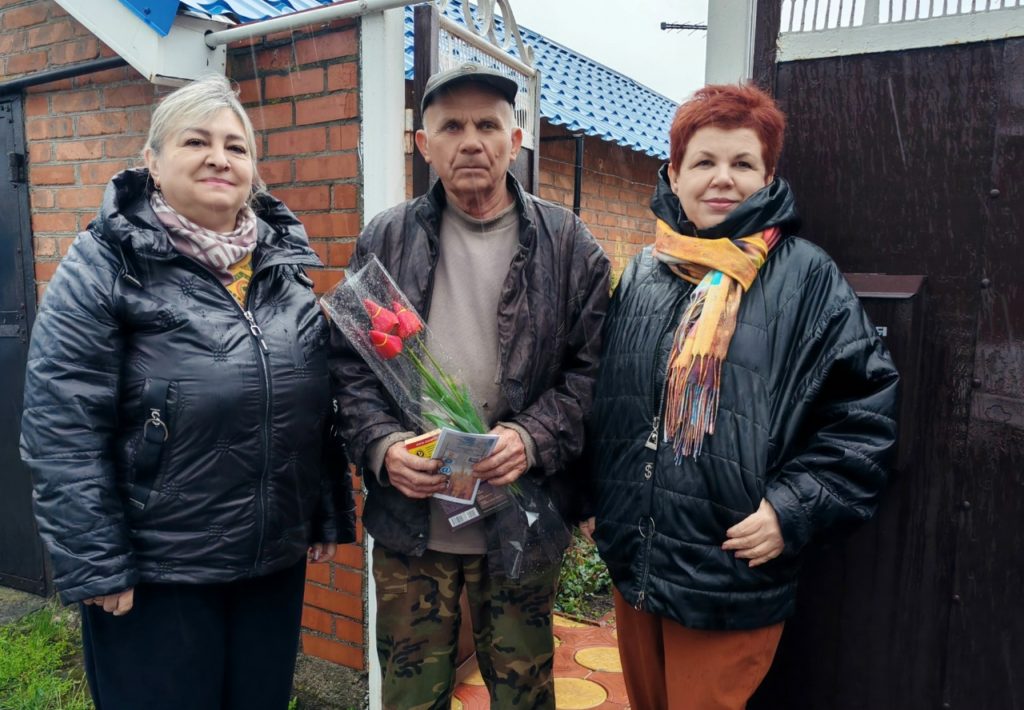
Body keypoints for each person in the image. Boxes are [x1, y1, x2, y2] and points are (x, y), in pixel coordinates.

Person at [20, 74, 355, 710]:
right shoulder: (103, 266)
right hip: (158, 573)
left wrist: (323, 510)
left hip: (270, 564)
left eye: (236, 146)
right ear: (152, 161)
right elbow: (62, 429)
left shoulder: (282, 269)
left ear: (252, 169)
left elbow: (312, 404)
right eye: (196, 141)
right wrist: (97, 562)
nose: (219, 158)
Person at [583, 83, 900, 709]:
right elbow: (607, 398)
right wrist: (597, 497)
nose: (722, 178)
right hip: (636, 560)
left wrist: (792, 509)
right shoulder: (645, 271)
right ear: (675, 174)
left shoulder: (805, 277)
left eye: (743, 163)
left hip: (728, 572)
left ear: (768, 177)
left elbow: (864, 416)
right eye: (704, 161)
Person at [330, 62, 610, 708]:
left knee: (524, 695)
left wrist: (531, 438)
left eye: (487, 124)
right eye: (451, 127)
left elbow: (593, 372)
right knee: (410, 697)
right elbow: (349, 366)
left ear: (516, 140)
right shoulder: (385, 239)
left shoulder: (568, 245)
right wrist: (383, 449)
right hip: (412, 527)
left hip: (521, 520)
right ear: (424, 145)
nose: (471, 141)